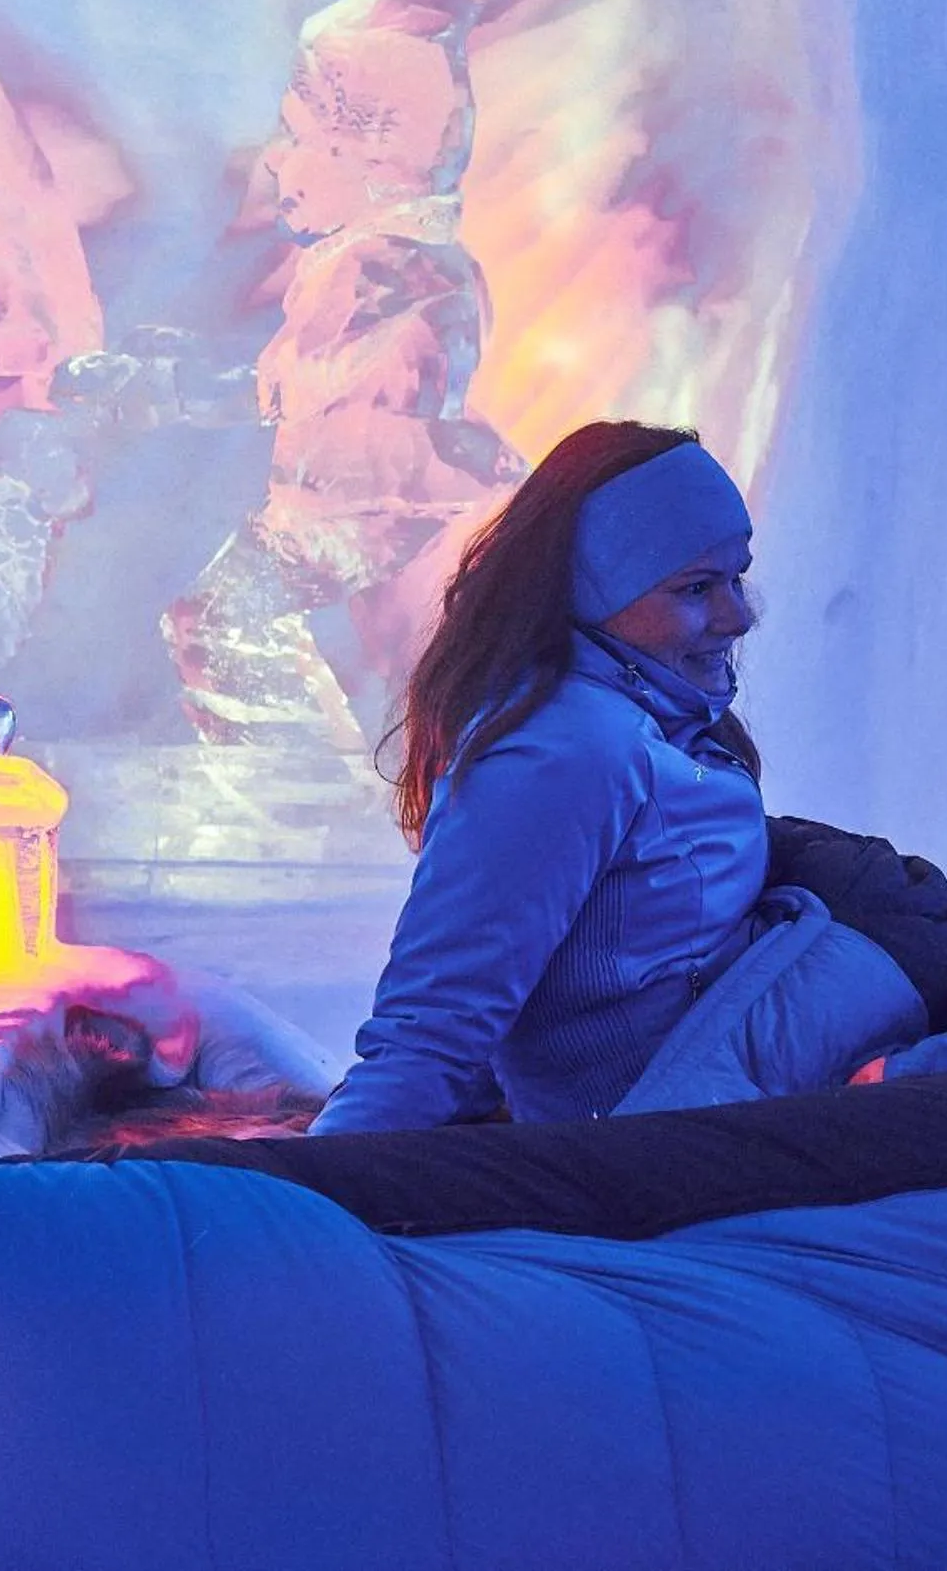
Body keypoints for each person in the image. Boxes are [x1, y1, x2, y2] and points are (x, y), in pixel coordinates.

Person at [309, 421, 769, 1134]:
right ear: (593, 593)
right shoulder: (564, 752)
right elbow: (435, 1031)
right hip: (660, 1151)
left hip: (711, 1116)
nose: (736, 616)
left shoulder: (655, 718)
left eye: (737, 577)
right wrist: (306, 1188)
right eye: (696, 587)